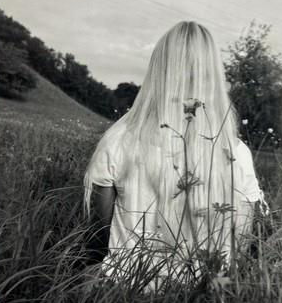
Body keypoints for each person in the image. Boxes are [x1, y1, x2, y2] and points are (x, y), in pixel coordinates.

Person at [83, 21, 269, 281]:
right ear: (213, 75)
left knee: (85, 277)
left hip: (126, 283)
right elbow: (239, 243)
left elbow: (100, 232)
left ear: (158, 70)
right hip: (203, 291)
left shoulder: (118, 140)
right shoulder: (237, 153)